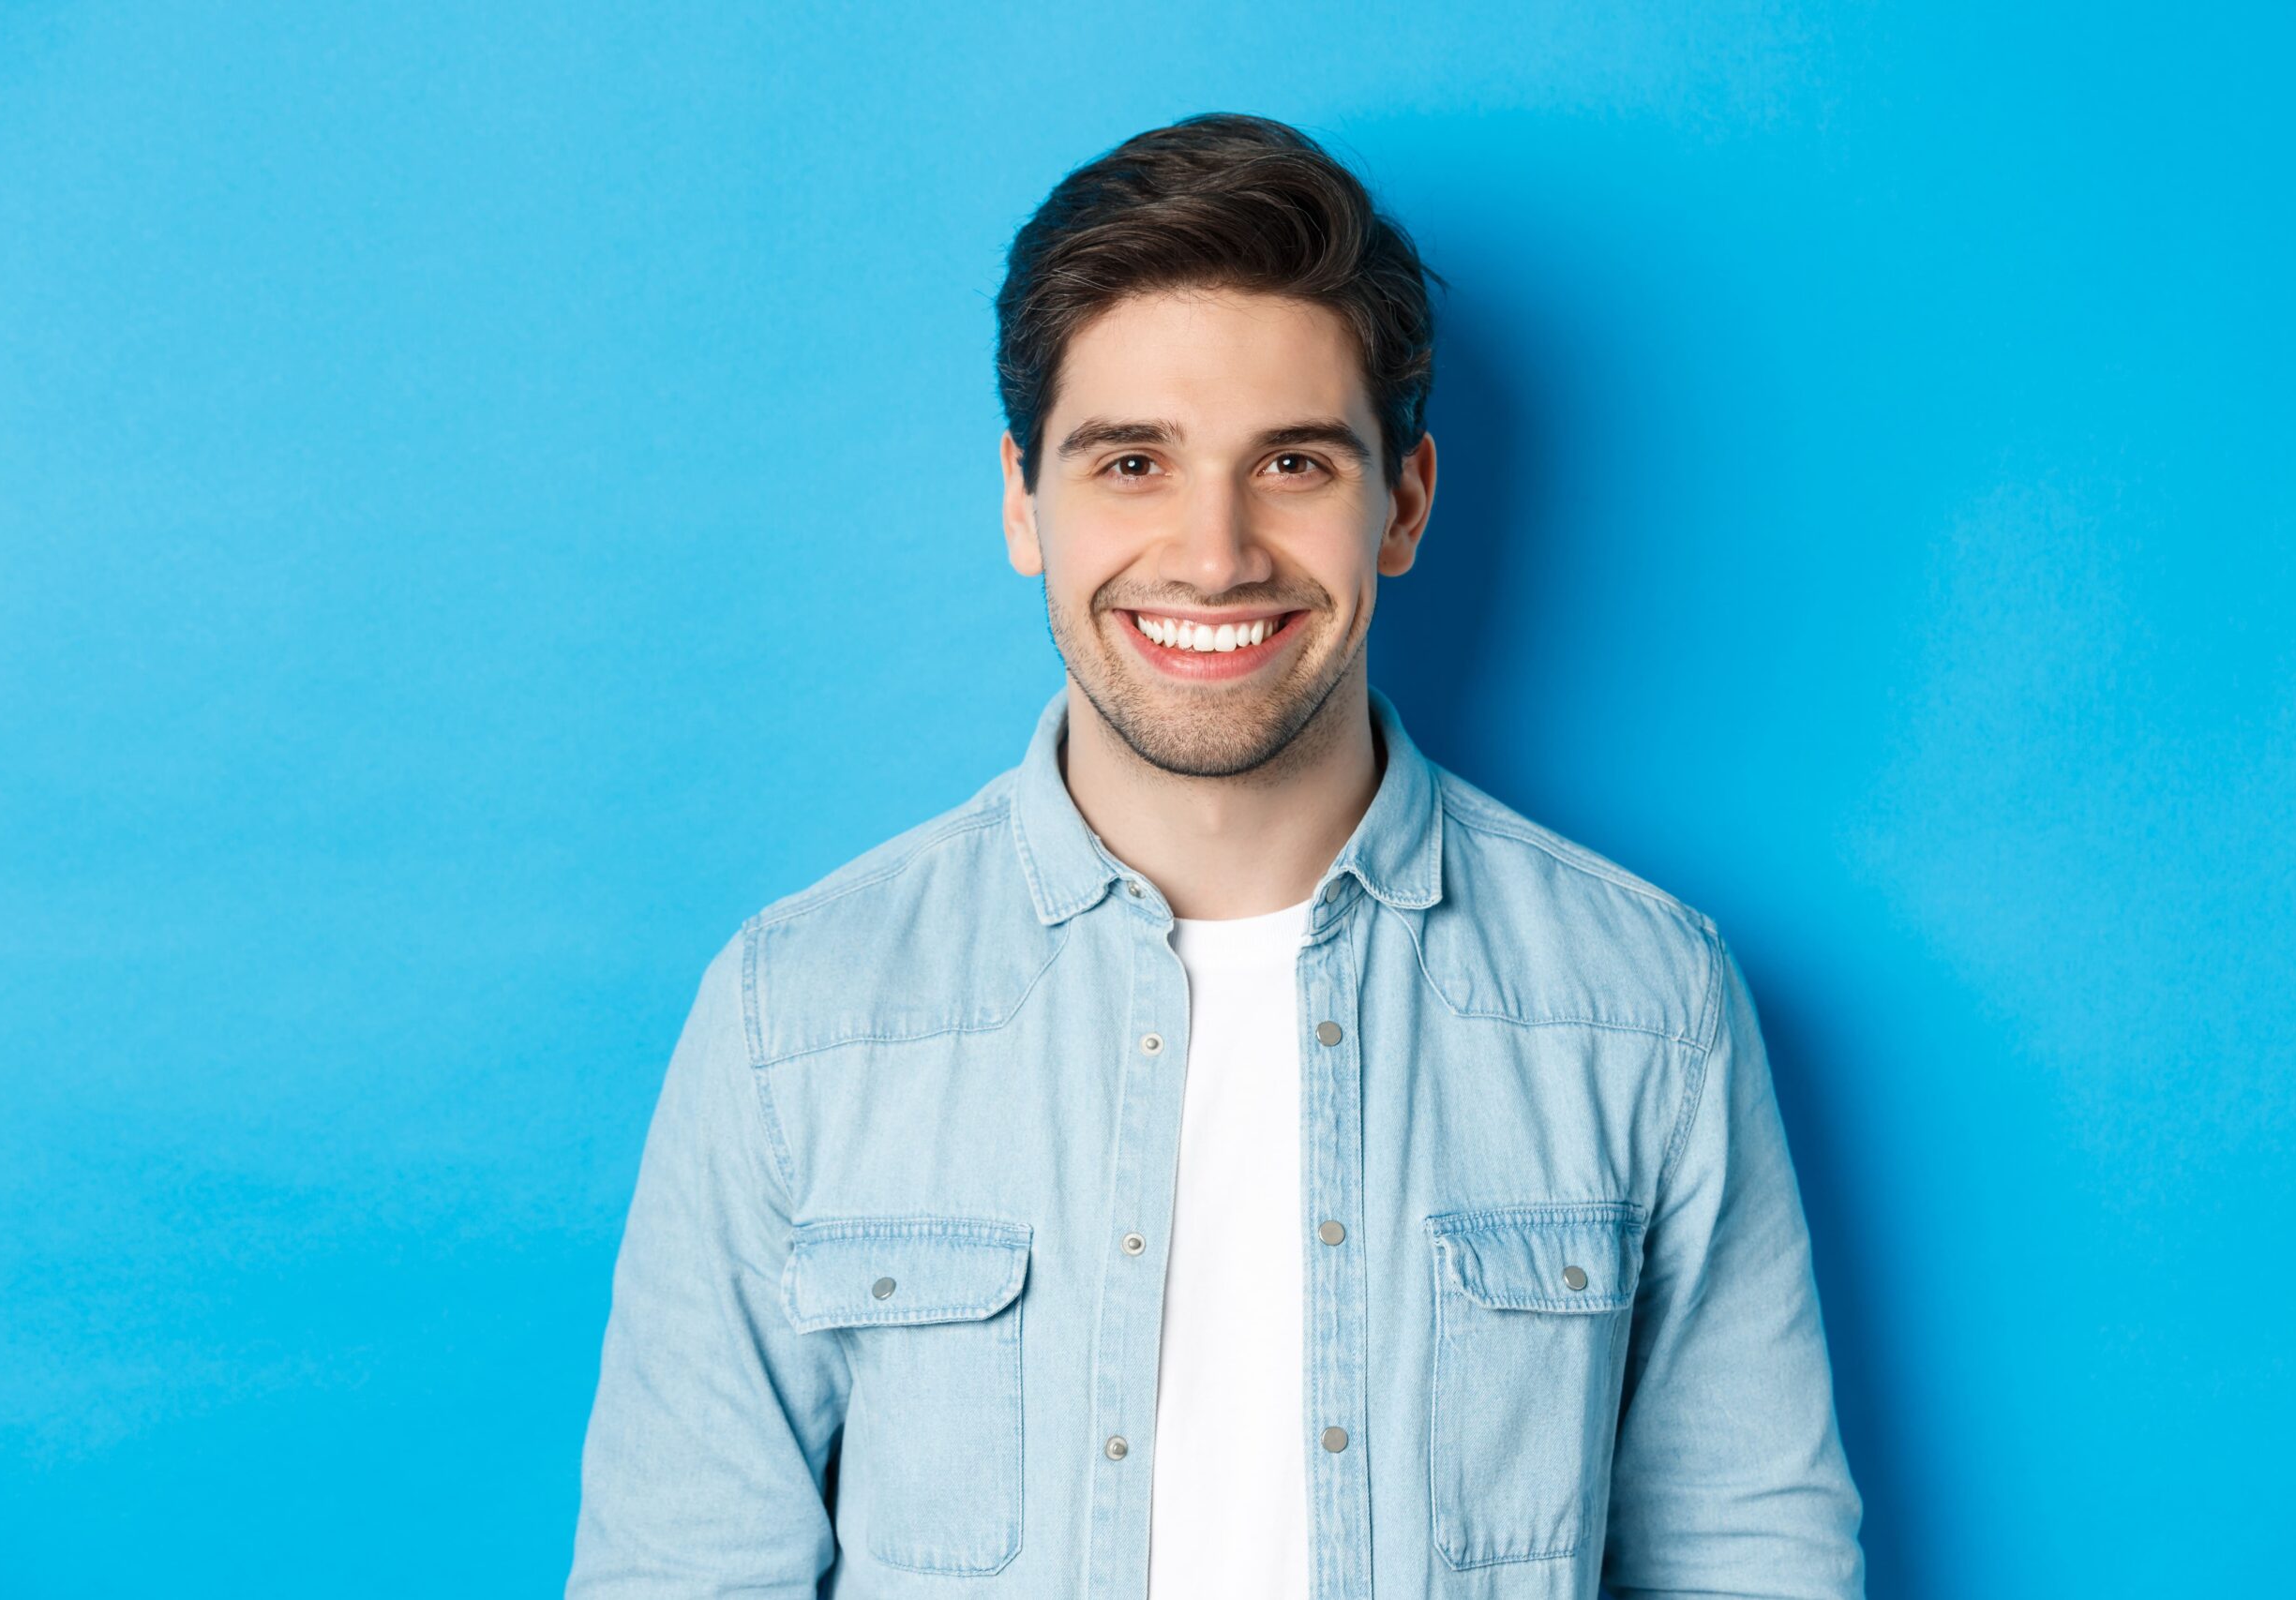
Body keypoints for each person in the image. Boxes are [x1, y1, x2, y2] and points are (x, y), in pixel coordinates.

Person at [566, 111, 1865, 1599]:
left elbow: (1751, 1562)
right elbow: (680, 1573)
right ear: (1019, 498)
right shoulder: (796, 1017)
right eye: (1130, 461)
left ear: (1407, 503)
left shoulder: (1644, 1004)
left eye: (1294, 462)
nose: (1212, 552)